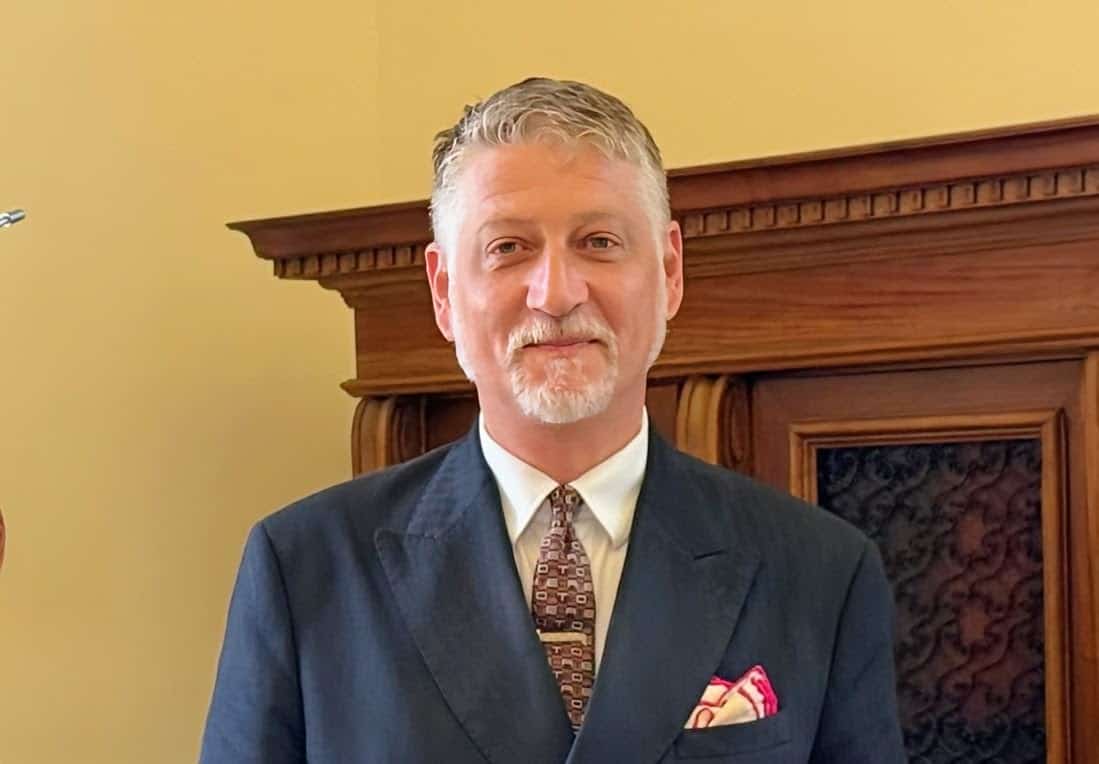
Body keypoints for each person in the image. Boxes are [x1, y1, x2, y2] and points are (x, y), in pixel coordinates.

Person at [200, 77, 906, 763]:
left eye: (598, 242)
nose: (557, 293)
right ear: (444, 292)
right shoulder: (307, 568)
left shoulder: (819, 572)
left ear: (669, 271)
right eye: (508, 248)